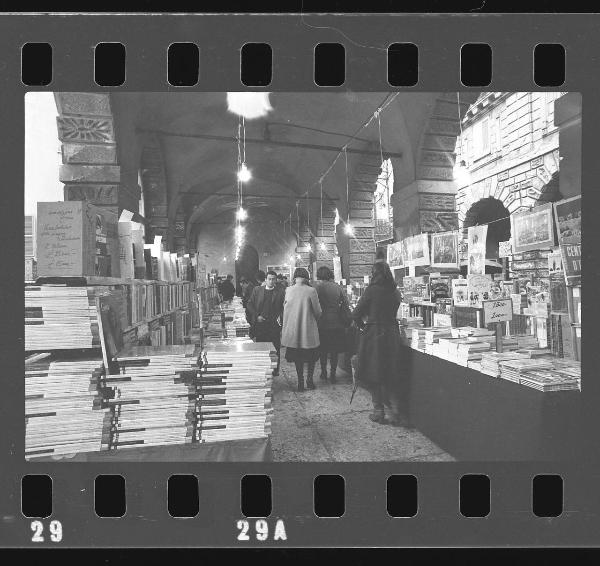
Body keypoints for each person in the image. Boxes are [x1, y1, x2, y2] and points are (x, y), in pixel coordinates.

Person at [351, 261, 407, 426]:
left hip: (374, 335)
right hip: (391, 334)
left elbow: (356, 314)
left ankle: (378, 411)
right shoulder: (395, 291)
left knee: (374, 373)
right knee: (391, 371)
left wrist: (363, 327)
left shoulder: (371, 290)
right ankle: (396, 412)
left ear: (374, 274)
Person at [281, 267, 322, 391]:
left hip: (294, 330)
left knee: (297, 358)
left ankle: (300, 382)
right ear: (306, 276)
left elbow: (285, 308)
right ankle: (309, 380)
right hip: (308, 329)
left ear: (295, 277)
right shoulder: (311, 290)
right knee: (311, 357)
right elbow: (318, 311)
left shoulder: (288, 290)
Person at [314, 265, 351, 383]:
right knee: (334, 350)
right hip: (336, 322)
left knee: (323, 350)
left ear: (320, 276)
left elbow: (314, 306)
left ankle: (324, 372)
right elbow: (346, 302)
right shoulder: (337, 287)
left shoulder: (317, 288)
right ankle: (333, 374)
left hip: (322, 322)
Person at [247, 270, 285, 376]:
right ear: (265, 279)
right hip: (261, 325)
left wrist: (280, 317)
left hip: (274, 325)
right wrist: (256, 316)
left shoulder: (280, 292)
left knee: (275, 348)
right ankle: (263, 368)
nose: (271, 281)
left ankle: (275, 370)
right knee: (262, 348)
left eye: (273, 279)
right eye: (269, 279)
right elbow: (250, 304)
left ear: (276, 280)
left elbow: (284, 307)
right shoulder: (257, 290)